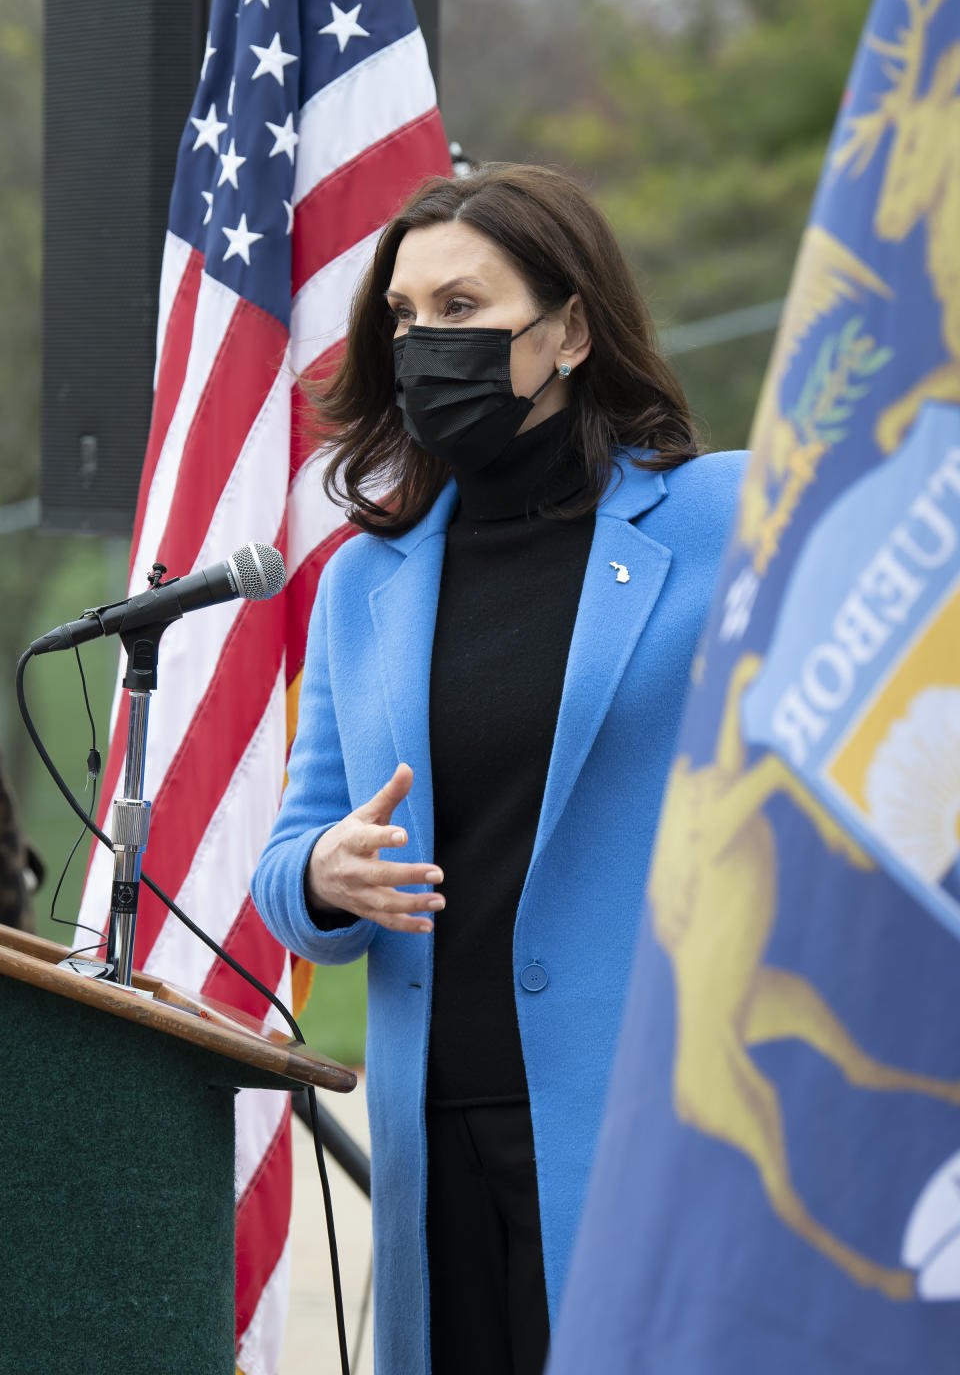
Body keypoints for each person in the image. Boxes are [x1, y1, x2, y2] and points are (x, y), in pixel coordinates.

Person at [251, 163, 748, 1375]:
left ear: (570, 328)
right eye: (406, 318)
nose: (426, 343)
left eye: (462, 309)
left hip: (663, 1122)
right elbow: (289, 867)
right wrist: (326, 872)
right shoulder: (365, 585)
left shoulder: (726, 517)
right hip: (434, 1133)